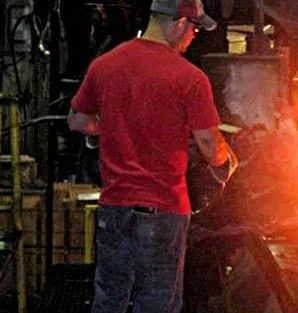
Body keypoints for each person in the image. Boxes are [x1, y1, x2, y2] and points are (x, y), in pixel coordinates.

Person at [68, 0, 236, 312]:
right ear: (180, 24)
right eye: (195, 30)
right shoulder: (190, 78)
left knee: (109, 300)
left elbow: (77, 121)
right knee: (157, 303)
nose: (193, 38)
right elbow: (210, 147)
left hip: (114, 207)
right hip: (164, 210)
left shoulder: (105, 64)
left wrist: (111, 126)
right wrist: (227, 164)